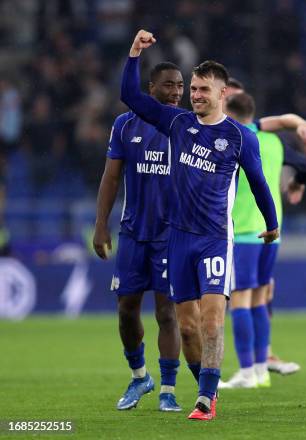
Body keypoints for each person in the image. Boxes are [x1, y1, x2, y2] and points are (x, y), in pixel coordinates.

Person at [120, 30, 279, 421]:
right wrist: (134, 54)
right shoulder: (177, 123)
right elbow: (131, 97)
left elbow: (258, 183)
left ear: (223, 93)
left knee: (211, 318)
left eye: (204, 89)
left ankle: (206, 398)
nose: (195, 95)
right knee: (187, 329)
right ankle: (204, 381)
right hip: (177, 240)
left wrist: (271, 224)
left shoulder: (240, 138)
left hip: (213, 241)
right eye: (193, 88)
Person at [93, 61, 184, 412]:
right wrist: (101, 222)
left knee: (167, 313)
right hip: (133, 233)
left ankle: (168, 390)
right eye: (168, 85)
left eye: (180, 85)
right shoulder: (124, 125)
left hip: (170, 235)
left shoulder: (184, 127)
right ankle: (140, 376)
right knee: (127, 311)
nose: (176, 92)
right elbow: (111, 178)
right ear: (151, 89)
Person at [219, 92, 306, 389]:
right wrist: (298, 184)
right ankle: (260, 369)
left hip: (245, 230)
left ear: (231, 114)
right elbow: (304, 162)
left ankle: (247, 371)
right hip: (272, 232)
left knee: (241, 302)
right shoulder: (272, 141)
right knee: (260, 298)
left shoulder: (234, 140)